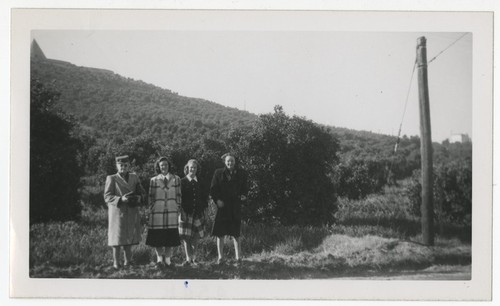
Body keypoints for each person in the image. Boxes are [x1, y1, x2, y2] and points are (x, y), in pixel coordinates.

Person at [104, 155, 145, 270]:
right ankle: (116, 263)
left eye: (125, 165)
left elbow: (141, 192)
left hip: (131, 211)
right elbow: (107, 196)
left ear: (129, 166)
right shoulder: (111, 178)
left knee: (129, 238)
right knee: (116, 239)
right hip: (117, 212)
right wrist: (121, 199)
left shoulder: (134, 177)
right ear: (116, 166)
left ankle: (128, 261)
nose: (123, 167)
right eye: (120, 165)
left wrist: (138, 198)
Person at [145, 157, 184, 268]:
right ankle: (159, 261)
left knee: (169, 238)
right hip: (157, 213)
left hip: (172, 212)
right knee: (158, 238)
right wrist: (152, 208)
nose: (164, 167)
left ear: (169, 166)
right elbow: (150, 197)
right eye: (162, 165)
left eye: (166, 165)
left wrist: (178, 207)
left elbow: (179, 195)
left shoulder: (176, 179)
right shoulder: (154, 180)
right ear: (158, 167)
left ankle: (168, 261)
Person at [210, 153, 248, 265]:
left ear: (235, 162)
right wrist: (217, 200)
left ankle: (238, 258)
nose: (230, 163)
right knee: (220, 234)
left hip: (235, 206)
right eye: (228, 161)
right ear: (224, 162)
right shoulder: (218, 173)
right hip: (222, 207)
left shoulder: (241, 173)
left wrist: (243, 196)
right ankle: (220, 258)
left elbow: (245, 188)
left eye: (232, 161)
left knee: (236, 233)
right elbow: (213, 189)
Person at [179, 159, 209, 266]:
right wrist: (181, 212)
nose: (193, 169)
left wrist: (205, 211)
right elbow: (179, 199)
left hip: (198, 213)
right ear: (187, 168)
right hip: (186, 213)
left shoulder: (200, 181)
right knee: (186, 238)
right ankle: (188, 259)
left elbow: (205, 198)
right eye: (191, 167)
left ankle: (194, 258)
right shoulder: (182, 181)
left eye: (195, 168)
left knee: (196, 237)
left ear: (197, 169)